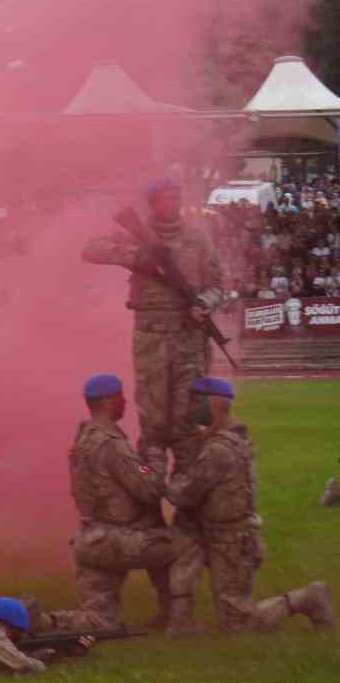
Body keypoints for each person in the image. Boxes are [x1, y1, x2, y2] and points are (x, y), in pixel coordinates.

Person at [164, 378, 333, 633]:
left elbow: (184, 495)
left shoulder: (218, 450)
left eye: (198, 402)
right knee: (184, 529)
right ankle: (181, 620)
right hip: (223, 534)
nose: (192, 409)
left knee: (238, 624)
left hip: (231, 542)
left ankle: (307, 598)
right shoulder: (234, 437)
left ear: (217, 405)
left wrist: (164, 480)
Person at [82, 178, 224, 466]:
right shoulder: (135, 235)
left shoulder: (197, 239)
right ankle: (147, 498)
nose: (173, 203)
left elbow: (217, 285)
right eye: (166, 197)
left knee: (188, 420)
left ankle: (188, 498)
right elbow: (90, 249)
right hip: (151, 337)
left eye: (176, 197)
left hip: (189, 336)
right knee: (153, 422)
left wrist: (205, 304)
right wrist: (136, 257)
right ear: (153, 203)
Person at [65, 373, 177, 632]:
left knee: (97, 622)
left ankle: (43, 622)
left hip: (91, 541)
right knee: (185, 545)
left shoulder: (82, 440)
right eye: (120, 397)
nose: (125, 402)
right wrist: (155, 459)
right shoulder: (114, 445)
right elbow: (149, 488)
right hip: (120, 542)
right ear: (107, 401)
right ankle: (178, 617)